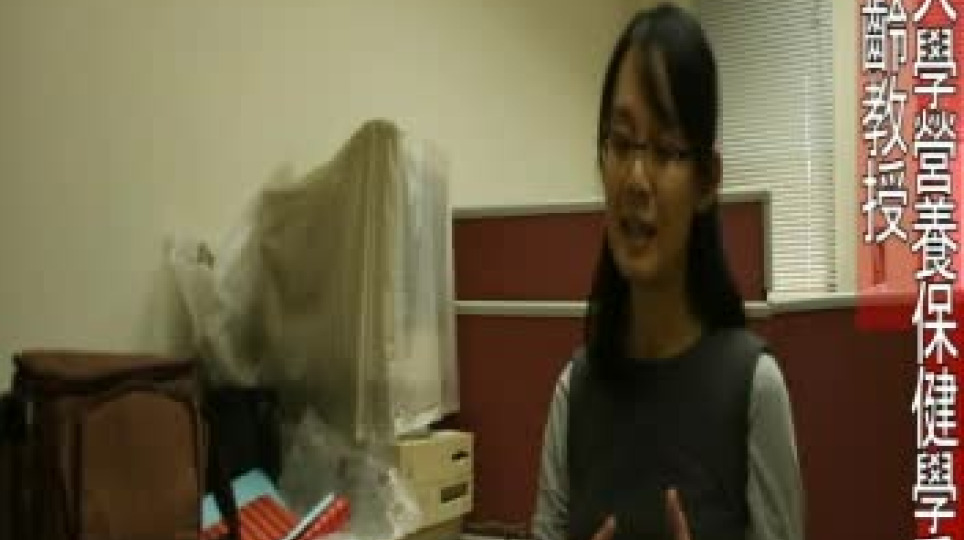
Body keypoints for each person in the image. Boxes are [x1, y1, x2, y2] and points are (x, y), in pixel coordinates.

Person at [532, 4, 804, 540]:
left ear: (707, 181)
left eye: (666, 150)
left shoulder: (754, 390)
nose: (636, 179)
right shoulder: (574, 392)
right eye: (621, 143)